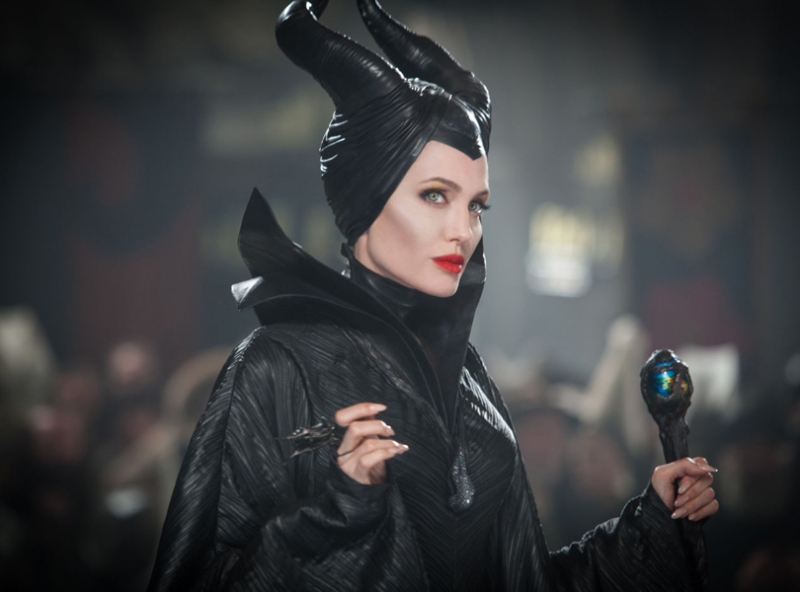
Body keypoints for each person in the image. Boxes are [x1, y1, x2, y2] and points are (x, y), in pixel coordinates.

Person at [147, 1, 718, 590]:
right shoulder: (276, 366)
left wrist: (654, 523)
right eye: (435, 195)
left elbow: (524, 581)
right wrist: (337, 516)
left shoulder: (469, 377)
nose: (463, 230)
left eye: (476, 205)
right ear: (366, 195)